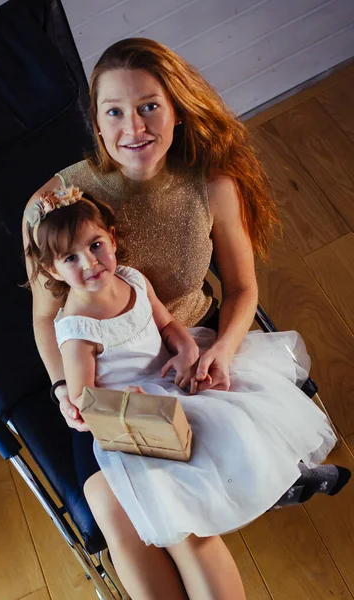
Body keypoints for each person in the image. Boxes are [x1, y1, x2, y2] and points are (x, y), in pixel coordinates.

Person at [22, 39, 349, 599]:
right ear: (96, 124)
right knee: (110, 504)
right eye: (115, 111)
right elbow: (47, 316)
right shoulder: (54, 207)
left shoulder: (210, 184)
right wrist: (62, 387)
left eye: (150, 106)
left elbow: (243, 288)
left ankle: (270, 477)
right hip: (112, 380)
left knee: (177, 514)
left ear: (175, 106)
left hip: (190, 349)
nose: (135, 127)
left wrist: (222, 347)